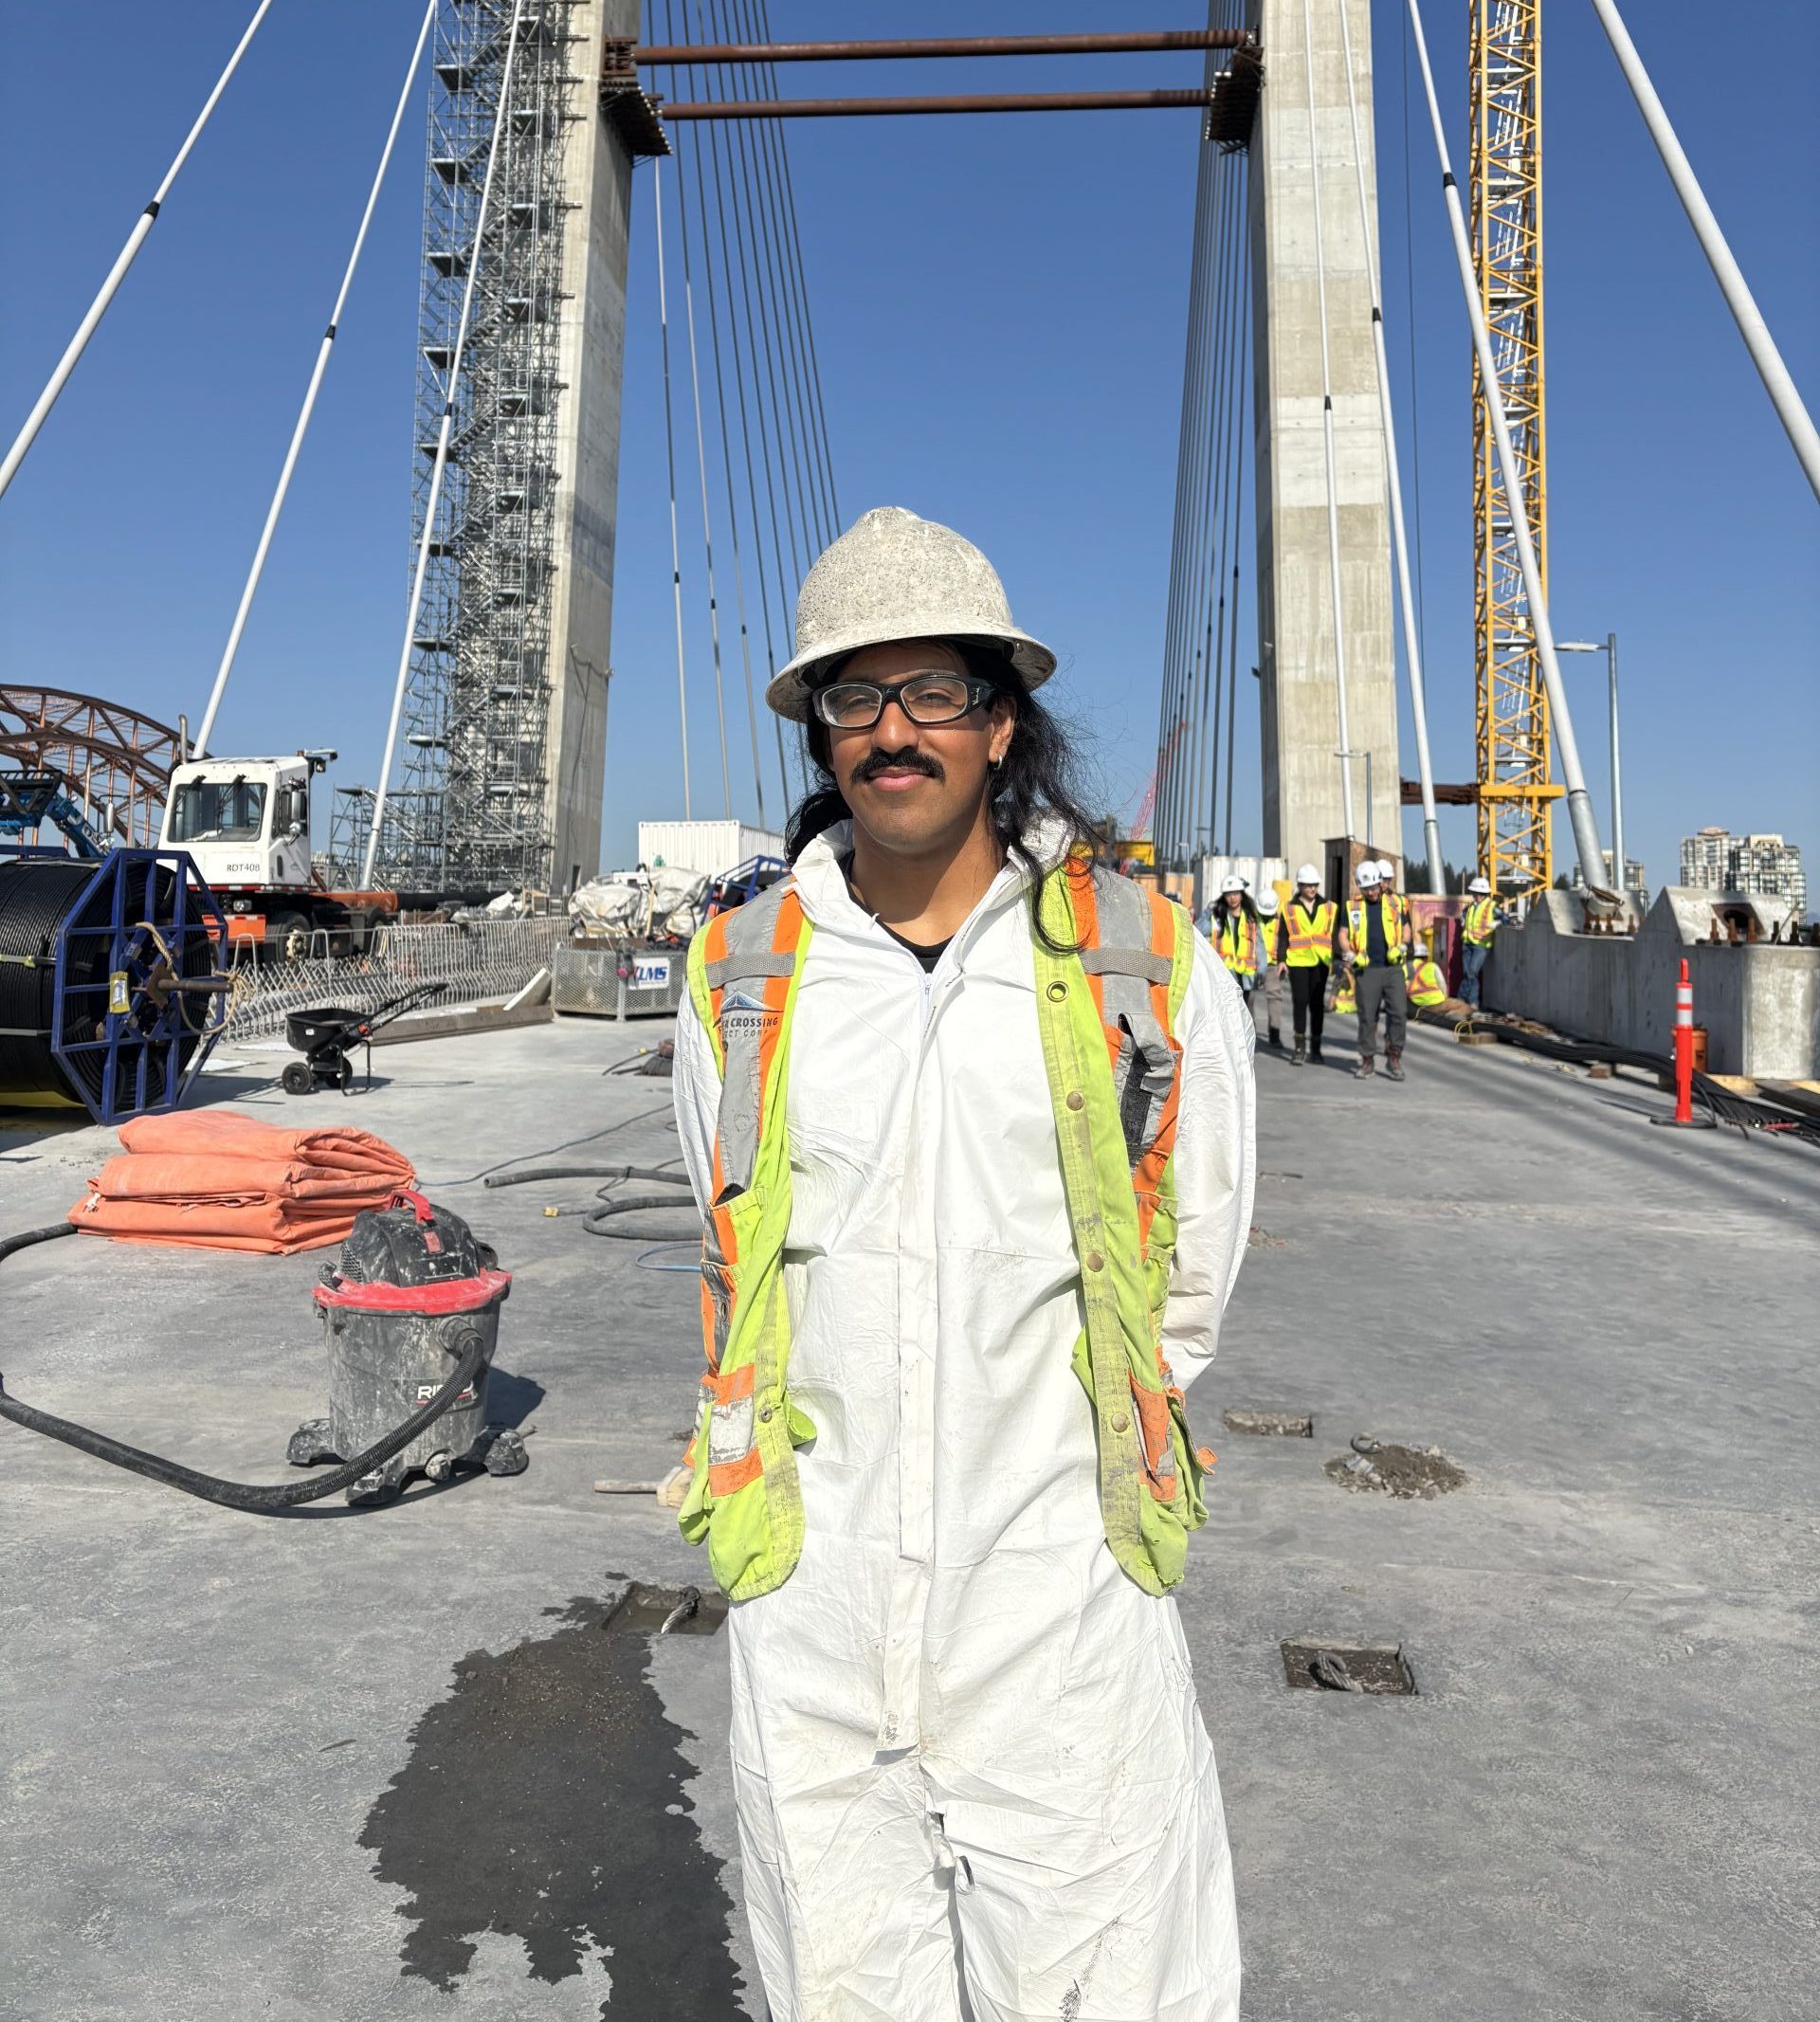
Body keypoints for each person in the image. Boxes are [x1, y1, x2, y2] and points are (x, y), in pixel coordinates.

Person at [672, 506, 1252, 2020]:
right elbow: (736, 1244)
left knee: (1111, 1985)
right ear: (822, 737)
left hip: (1056, 1603)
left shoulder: (1145, 962)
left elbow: (1190, 1278)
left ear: (1001, 724)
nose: (894, 732)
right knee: (842, 1990)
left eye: (933, 693)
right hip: (819, 1600)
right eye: (856, 700)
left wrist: (1075, 1480)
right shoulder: (743, 977)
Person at [1337, 859, 1414, 1081]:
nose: (1372, 892)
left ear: (1381, 884)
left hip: (1392, 969)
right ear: (1360, 887)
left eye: (1375, 887)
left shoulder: (1396, 904)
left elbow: (1407, 930)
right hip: (1366, 970)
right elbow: (1343, 934)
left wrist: (1401, 946)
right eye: (1367, 889)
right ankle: (1368, 1059)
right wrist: (1350, 954)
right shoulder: (1352, 907)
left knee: (1399, 1013)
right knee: (1367, 1017)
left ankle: (1394, 1056)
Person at [1281, 861, 1336, 1065]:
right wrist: (1281, 961)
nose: (1312, 889)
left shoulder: (1328, 907)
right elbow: (1283, 936)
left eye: (1315, 885)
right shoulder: (1289, 908)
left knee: (1317, 1006)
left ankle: (1316, 1048)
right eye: (1308, 885)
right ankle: (1299, 1047)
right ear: (1300, 886)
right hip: (1298, 962)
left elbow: (1334, 933)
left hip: (1321, 962)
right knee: (1300, 1003)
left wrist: (1338, 959)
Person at [1253, 888, 1287, 1050]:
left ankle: (1274, 1033)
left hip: (1272, 965)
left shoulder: (1281, 922)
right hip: (1252, 964)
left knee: (1275, 997)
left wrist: (1283, 961)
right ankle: (1249, 1034)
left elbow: (1283, 943)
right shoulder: (1251, 920)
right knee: (1248, 999)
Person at [1461, 874, 1497, 1007]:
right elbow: (1464, 917)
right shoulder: (1470, 907)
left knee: (1472, 972)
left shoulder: (1491, 906)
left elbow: (1505, 919)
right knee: (1468, 974)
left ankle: (1460, 999)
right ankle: (1473, 1002)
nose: (1476, 896)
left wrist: (1496, 924)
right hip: (1467, 943)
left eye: (1479, 893)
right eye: (1475, 893)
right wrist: (1463, 919)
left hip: (1481, 945)